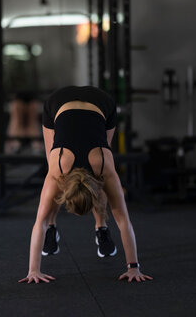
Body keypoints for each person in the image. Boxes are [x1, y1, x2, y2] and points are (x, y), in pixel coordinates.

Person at [19, 86, 152, 284]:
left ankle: (101, 227)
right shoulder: (58, 167)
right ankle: (53, 228)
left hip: (101, 104)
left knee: (101, 176)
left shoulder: (104, 166)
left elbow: (123, 220)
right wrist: (33, 270)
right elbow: (41, 223)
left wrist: (135, 268)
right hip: (59, 104)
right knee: (50, 183)